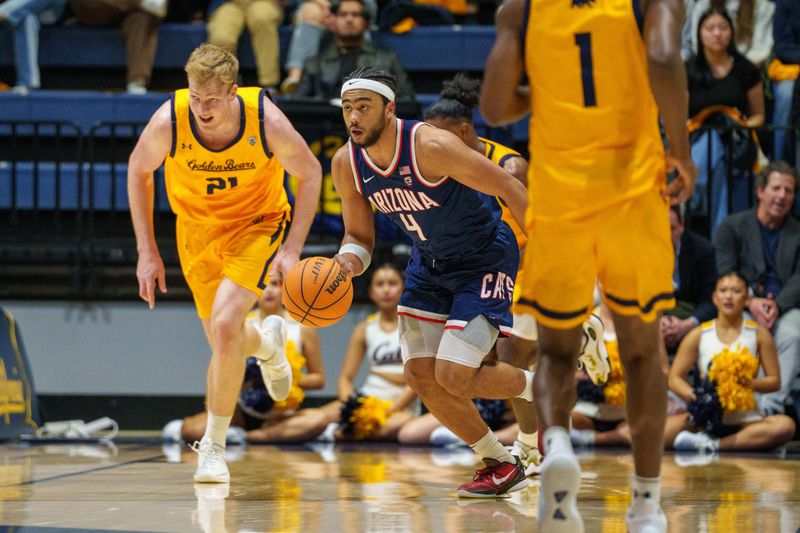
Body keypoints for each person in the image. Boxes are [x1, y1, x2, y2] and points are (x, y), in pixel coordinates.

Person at [481, 0, 697, 528]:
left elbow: (494, 105)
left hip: (559, 199)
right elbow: (666, 59)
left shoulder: (522, 8)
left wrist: (551, 93)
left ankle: (556, 447)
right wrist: (683, 151)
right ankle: (645, 504)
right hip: (631, 194)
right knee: (644, 353)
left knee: (555, 352)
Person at [333, 66, 534, 498]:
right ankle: (500, 462)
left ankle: (547, 387)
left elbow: (508, 186)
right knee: (421, 375)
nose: (353, 117)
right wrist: (344, 265)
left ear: (389, 109)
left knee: (454, 374)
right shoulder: (345, 163)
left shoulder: (430, 145)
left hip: (484, 258)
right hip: (429, 264)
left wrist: (549, 255)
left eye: (363, 107)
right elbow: (358, 237)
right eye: (348, 108)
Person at [127, 43, 322, 483]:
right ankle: (270, 346)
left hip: (256, 224)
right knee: (225, 341)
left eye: (212, 99)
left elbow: (310, 174)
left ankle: (213, 447)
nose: (202, 108)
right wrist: (146, 249)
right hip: (196, 233)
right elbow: (138, 171)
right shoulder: (170, 121)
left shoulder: (265, 121)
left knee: (226, 322)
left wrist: (291, 249)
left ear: (233, 91)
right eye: (195, 97)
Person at [421, 72, 610, 477]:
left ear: (464, 131)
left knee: (506, 361)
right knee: (492, 367)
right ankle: (581, 334)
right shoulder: (440, 166)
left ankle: (530, 444)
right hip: (485, 269)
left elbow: (535, 226)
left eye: (438, 135)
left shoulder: (508, 165)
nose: (430, 145)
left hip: (526, 264)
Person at [162, 276, 326, 444]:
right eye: (263, 285)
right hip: (241, 411)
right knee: (192, 431)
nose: (269, 290)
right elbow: (222, 366)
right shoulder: (241, 322)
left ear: (285, 289)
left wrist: (286, 377)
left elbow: (319, 378)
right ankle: (229, 429)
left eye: (275, 284)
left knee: (319, 419)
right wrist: (251, 377)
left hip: (282, 415)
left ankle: (247, 437)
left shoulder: (302, 328)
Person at [668, 271, 796, 452]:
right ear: (714, 297)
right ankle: (708, 438)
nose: (729, 296)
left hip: (747, 420)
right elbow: (674, 378)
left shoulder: (759, 333)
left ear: (746, 299)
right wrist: (696, 397)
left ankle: (714, 445)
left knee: (785, 426)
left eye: (736, 291)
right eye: (723, 290)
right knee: (656, 431)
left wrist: (747, 383)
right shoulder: (699, 334)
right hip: (706, 417)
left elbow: (775, 381)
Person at [714, 161, 800, 416]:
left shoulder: (797, 232)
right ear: (760, 192)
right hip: (743, 305)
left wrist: (778, 305)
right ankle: (742, 410)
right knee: (750, 334)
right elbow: (726, 271)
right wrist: (750, 301)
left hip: (787, 306)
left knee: (793, 334)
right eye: (776, 188)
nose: (782, 196)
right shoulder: (733, 226)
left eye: (789, 191)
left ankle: (768, 412)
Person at [687, 8, 765, 234]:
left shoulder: (745, 70)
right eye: (710, 29)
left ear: (732, 32)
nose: (717, 34)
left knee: (720, 144)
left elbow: (759, 116)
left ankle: (694, 195)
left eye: (722, 28)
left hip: (737, 141)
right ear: (699, 33)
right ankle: (720, 233)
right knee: (714, 145)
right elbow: (681, 116)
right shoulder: (688, 70)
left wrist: (738, 124)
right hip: (699, 139)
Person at [292, 0, 415, 102]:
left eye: (356, 15)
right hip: (325, 127)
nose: (349, 19)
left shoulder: (387, 60)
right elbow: (299, 104)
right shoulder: (315, 63)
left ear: (367, 23)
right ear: (333, 21)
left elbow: (408, 100)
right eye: (343, 15)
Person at [69, 0, 167, 93]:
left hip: (126, 12)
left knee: (142, 16)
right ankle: (140, 2)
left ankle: (137, 82)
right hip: (94, 8)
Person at [662, 204, 717, 353]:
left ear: (681, 226)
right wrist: (656, 323)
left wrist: (686, 325)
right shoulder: (643, 251)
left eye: (671, 229)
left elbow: (710, 300)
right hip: (656, 320)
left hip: (691, 318)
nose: (665, 235)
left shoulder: (703, 250)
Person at [206, 0, 283, 91]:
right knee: (221, 37)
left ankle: (269, 84)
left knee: (262, 18)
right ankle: (225, 85)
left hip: (266, 2)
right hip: (228, 3)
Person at [0, 0, 67, 93]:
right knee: (27, 18)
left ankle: (5, 11)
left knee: (21, 13)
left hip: (50, 10)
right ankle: (27, 83)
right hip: (21, 12)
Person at [685, 0, 774, 67]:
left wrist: (732, 73)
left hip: (746, 72)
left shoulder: (763, 6)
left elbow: (760, 51)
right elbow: (698, 46)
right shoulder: (703, 5)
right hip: (709, 70)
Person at [770, 0, 800, 165]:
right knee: (785, 94)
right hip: (793, 67)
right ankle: (780, 165)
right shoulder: (787, 3)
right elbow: (783, 46)